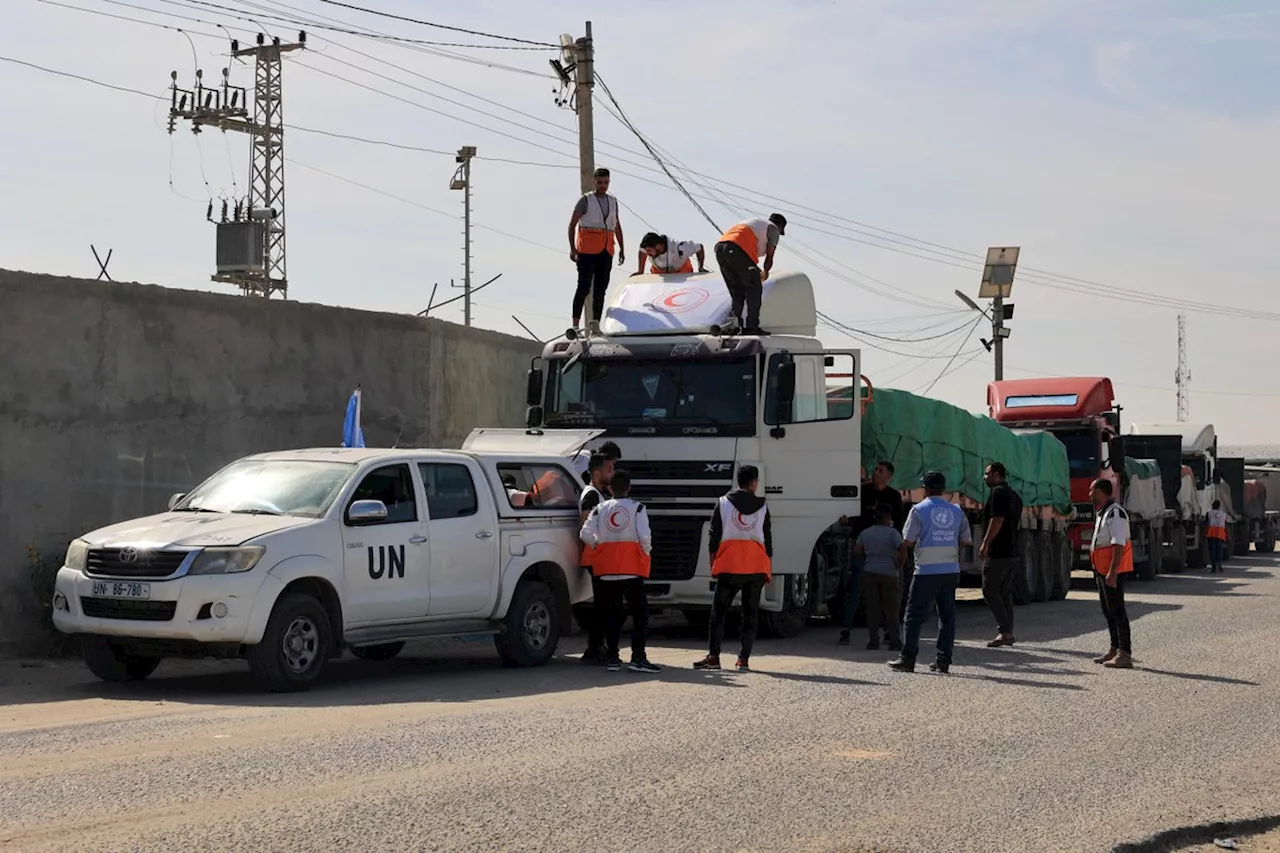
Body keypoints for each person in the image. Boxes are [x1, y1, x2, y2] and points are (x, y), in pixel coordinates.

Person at [889, 471, 972, 674]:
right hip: (950, 571)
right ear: (943, 489)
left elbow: (907, 540)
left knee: (913, 615)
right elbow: (966, 540)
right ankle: (943, 661)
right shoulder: (956, 510)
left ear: (926, 489)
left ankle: (907, 659)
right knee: (947, 616)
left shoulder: (919, 510)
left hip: (926, 571)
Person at [579, 469, 660, 673]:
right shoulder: (638, 509)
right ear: (629, 487)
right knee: (640, 614)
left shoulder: (599, 508)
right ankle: (638, 657)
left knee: (611, 614)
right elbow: (645, 537)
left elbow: (585, 533)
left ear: (610, 488)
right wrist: (645, 553)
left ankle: (613, 658)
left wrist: (599, 547)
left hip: (606, 570)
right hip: (632, 570)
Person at [694, 465, 772, 672]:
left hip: (730, 565)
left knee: (719, 611)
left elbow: (714, 535)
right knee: (750, 613)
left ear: (738, 481)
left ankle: (714, 657)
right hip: (755, 566)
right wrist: (767, 567)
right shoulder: (763, 506)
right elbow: (768, 540)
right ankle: (743, 659)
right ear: (754, 482)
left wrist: (714, 562)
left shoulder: (722, 503)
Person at [837, 460, 904, 645]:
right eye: (875, 469)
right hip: (863, 547)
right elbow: (852, 515)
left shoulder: (893, 496)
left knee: (888, 595)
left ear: (888, 475)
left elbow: (899, 523)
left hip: (885, 552)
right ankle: (845, 630)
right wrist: (846, 522)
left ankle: (889, 632)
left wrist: (898, 554)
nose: (875, 472)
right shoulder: (862, 491)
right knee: (856, 590)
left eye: (880, 470)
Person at [568, 168, 625, 330]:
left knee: (601, 289)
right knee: (584, 286)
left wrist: (622, 247)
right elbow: (572, 225)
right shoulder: (585, 200)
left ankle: (595, 324)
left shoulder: (613, 201)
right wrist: (573, 248)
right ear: (594, 182)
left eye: (606, 182)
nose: (603, 186)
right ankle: (575, 325)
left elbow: (617, 225)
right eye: (599, 182)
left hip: (606, 250)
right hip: (587, 251)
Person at [713, 214, 786, 334]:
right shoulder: (773, 229)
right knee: (754, 287)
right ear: (780, 226)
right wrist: (766, 271)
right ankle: (752, 327)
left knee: (737, 292)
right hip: (737, 248)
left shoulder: (755, 224)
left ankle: (734, 325)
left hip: (720, 248)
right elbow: (770, 255)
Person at [1090, 478, 1134, 668]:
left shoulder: (1115, 513)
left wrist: (1113, 572)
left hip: (1111, 570)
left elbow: (1118, 543)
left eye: (1092, 490)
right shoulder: (1103, 512)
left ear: (1102, 492)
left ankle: (1125, 653)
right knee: (1108, 610)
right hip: (1102, 569)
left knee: (1117, 610)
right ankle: (1114, 648)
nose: (1089, 494)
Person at [978, 461, 1023, 647]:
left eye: (986, 473)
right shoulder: (1014, 495)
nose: (984, 477)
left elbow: (997, 519)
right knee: (1004, 591)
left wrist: (986, 543)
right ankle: (1008, 632)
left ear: (996, 474)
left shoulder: (997, 492)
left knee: (989, 589)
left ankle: (1005, 631)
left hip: (999, 551)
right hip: (1012, 549)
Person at [576, 453, 615, 665]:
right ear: (597, 472)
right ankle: (595, 647)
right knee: (603, 603)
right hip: (596, 557)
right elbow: (585, 526)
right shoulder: (591, 495)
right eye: (609, 469)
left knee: (604, 603)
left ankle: (598, 646)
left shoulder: (601, 494)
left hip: (600, 557)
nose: (613, 473)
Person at [854, 504, 903, 650]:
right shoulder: (893, 534)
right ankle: (894, 641)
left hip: (870, 572)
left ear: (875, 517)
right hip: (889, 573)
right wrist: (899, 564)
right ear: (889, 519)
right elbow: (903, 548)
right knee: (892, 609)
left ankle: (873, 641)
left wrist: (867, 559)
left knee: (873, 609)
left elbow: (857, 551)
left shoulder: (865, 533)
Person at [634, 233, 706, 276]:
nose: (647, 254)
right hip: (660, 273)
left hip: (682, 273)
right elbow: (642, 251)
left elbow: (699, 247)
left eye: (649, 251)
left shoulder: (680, 248)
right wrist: (640, 271)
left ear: (658, 246)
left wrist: (701, 267)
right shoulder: (648, 248)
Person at [1207, 499, 1229, 574]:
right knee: (1219, 551)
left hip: (1212, 535)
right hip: (1220, 535)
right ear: (1219, 506)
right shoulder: (1223, 514)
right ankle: (1219, 565)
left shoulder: (1209, 513)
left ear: (1212, 505)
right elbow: (1225, 523)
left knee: (1212, 551)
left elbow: (1207, 522)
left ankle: (1213, 567)